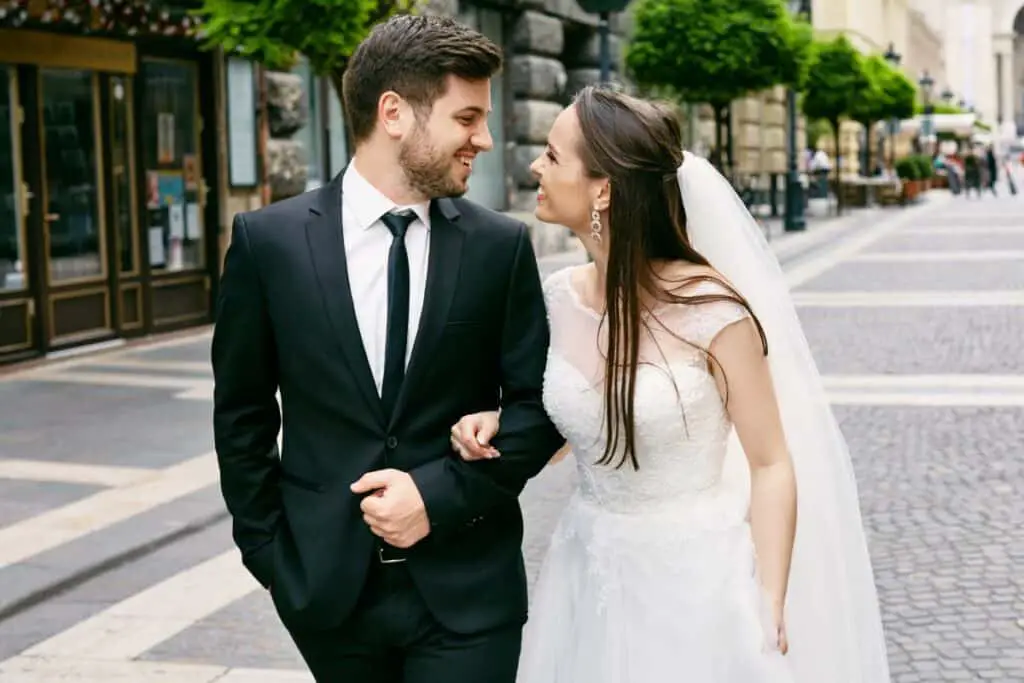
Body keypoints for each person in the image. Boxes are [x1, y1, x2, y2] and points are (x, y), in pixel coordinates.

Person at [450, 87, 891, 682]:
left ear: (602, 188)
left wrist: (771, 598)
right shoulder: (557, 296)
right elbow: (576, 428)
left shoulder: (714, 312)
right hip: (586, 568)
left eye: (552, 156)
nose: (535, 166)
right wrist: (497, 424)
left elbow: (770, 464)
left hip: (693, 582)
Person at [211, 14, 563, 682]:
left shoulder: (500, 248)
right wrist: (272, 556)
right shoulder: (269, 243)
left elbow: (539, 409)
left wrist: (435, 497)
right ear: (394, 112)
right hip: (328, 597)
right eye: (467, 118)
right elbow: (243, 415)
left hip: (470, 595)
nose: (484, 140)